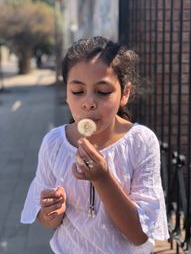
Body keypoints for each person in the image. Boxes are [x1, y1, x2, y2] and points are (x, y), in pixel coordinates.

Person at [21, 36, 169, 254]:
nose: (88, 102)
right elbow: (48, 221)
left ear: (124, 93)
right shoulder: (54, 143)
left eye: (103, 91)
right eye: (78, 91)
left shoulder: (141, 142)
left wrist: (103, 178)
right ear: (67, 95)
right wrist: (51, 211)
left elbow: (139, 235)